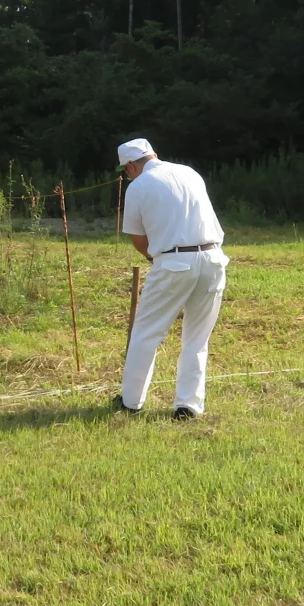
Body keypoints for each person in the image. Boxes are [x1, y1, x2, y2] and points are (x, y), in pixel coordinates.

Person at [115, 138, 229, 419]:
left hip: (173, 262)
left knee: (146, 333)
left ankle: (131, 402)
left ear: (130, 167)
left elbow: (139, 240)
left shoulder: (138, 187)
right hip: (214, 259)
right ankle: (188, 405)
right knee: (197, 337)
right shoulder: (189, 172)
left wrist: (157, 259)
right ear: (154, 155)